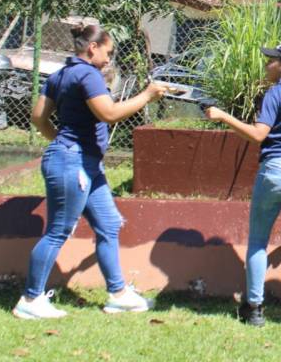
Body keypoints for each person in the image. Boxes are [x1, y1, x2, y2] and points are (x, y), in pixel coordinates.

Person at [14, 24, 170, 319]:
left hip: (85, 164)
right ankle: (31, 299)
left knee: (108, 224)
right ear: (92, 48)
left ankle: (119, 294)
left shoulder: (60, 74)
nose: (109, 58)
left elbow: (38, 117)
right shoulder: (88, 74)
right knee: (58, 231)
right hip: (73, 163)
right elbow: (108, 114)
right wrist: (147, 95)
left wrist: (59, 140)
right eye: (108, 52)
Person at [204, 43, 281, 333]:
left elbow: (259, 134)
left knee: (259, 241)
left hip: (277, 171)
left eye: (271, 60)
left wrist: (224, 117)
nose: (267, 65)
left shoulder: (276, 94)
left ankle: (254, 308)